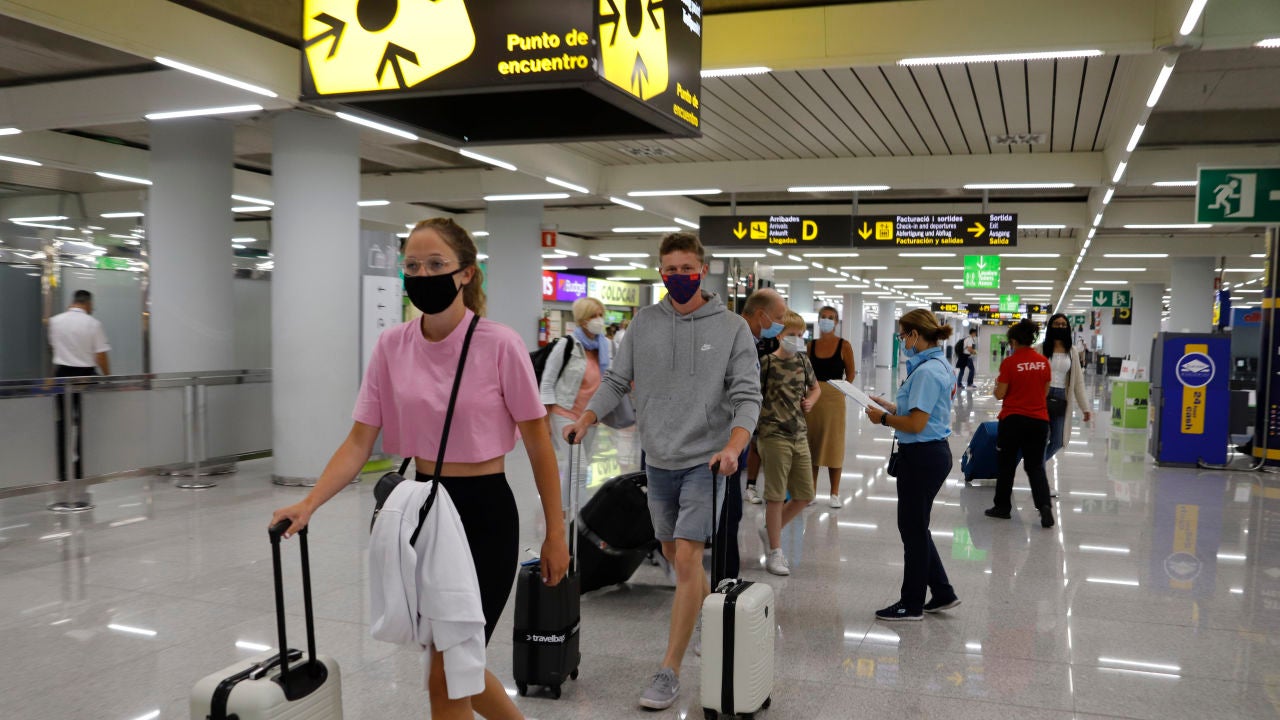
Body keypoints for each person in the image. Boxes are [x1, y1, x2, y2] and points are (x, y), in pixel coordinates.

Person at [270, 218, 569, 720]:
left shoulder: (500, 344)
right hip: (424, 512)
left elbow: (540, 446)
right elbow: (359, 441)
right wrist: (309, 503)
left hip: (485, 516)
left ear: (466, 273)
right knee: (455, 665)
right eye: (412, 266)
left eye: (435, 264)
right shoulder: (392, 346)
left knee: (449, 672)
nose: (422, 275)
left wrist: (555, 533)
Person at [563, 231, 760, 711]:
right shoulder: (645, 323)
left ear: (702, 269)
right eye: (670, 270)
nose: (679, 277)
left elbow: (747, 396)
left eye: (686, 268)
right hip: (657, 459)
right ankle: (706, 615)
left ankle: (668, 670)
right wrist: (587, 417)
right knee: (671, 552)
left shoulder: (731, 327)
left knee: (688, 558)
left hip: (707, 462)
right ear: (660, 272)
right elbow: (617, 380)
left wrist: (734, 447)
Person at [864, 309, 959, 622]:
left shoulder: (927, 371)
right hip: (929, 454)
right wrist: (891, 407)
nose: (902, 341)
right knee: (916, 527)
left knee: (913, 531)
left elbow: (916, 424)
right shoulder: (936, 365)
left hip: (922, 457)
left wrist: (883, 419)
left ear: (916, 335)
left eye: (903, 335)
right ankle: (942, 591)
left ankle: (912, 603)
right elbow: (923, 412)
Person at [757, 311, 821, 575]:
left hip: (799, 433)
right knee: (775, 495)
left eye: (799, 334)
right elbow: (752, 394)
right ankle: (775, 551)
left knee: (805, 494)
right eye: (791, 334)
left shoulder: (803, 361)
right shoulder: (767, 363)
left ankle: (769, 531)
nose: (796, 339)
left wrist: (810, 402)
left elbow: (815, 388)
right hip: (773, 434)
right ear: (779, 335)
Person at [541, 297, 610, 511]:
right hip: (565, 413)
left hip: (590, 417)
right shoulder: (567, 345)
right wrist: (545, 421)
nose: (598, 320)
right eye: (593, 315)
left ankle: (562, 511)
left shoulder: (605, 347)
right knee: (579, 468)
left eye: (601, 315)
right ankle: (580, 518)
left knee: (574, 467)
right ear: (582, 319)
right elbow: (547, 382)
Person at [985, 319, 1055, 529]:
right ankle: (1044, 507)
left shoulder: (1010, 363)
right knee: (1035, 467)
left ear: (1014, 341)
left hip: (1013, 421)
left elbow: (1000, 394)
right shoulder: (1043, 362)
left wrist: (996, 386)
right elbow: (1044, 393)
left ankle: (1002, 507)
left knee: (1006, 465)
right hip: (1039, 421)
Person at [48, 290, 111, 481]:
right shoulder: (93, 324)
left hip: (62, 376)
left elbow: (54, 348)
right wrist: (109, 378)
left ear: (73, 301)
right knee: (86, 423)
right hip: (86, 377)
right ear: (88, 303)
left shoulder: (54, 321)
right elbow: (100, 356)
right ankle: (81, 468)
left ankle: (62, 470)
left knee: (62, 422)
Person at [740, 289, 788, 507]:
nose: (781, 324)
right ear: (761, 315)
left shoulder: (752, 341)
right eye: (779, 317)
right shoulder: (736, 340)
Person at [806, 305, 856, 509]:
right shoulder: (811, 345)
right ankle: (810, 491)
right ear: (819, 320)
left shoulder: (844, 345)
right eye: (823, 317)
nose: (826, 320)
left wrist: (843, 390)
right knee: (812, 443)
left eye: (831, 317)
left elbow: (851, 373)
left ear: (836, 322)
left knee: (834, 445)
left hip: (835, 400)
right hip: (813, 398)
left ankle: (834, 493)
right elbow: (806, 371)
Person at [1042, 313, 1092, 461]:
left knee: (1058, 440)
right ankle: (1038, 470)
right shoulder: (1040, 349)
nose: (1060, 327)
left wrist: (1085, 408)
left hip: (1061, 398)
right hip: (1041, 396)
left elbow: (1078, 383)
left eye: (1063, 324)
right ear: (1051, 326)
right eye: (1057, 324)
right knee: (1041, 438)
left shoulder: (1072, 352)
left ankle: (1036, 465)